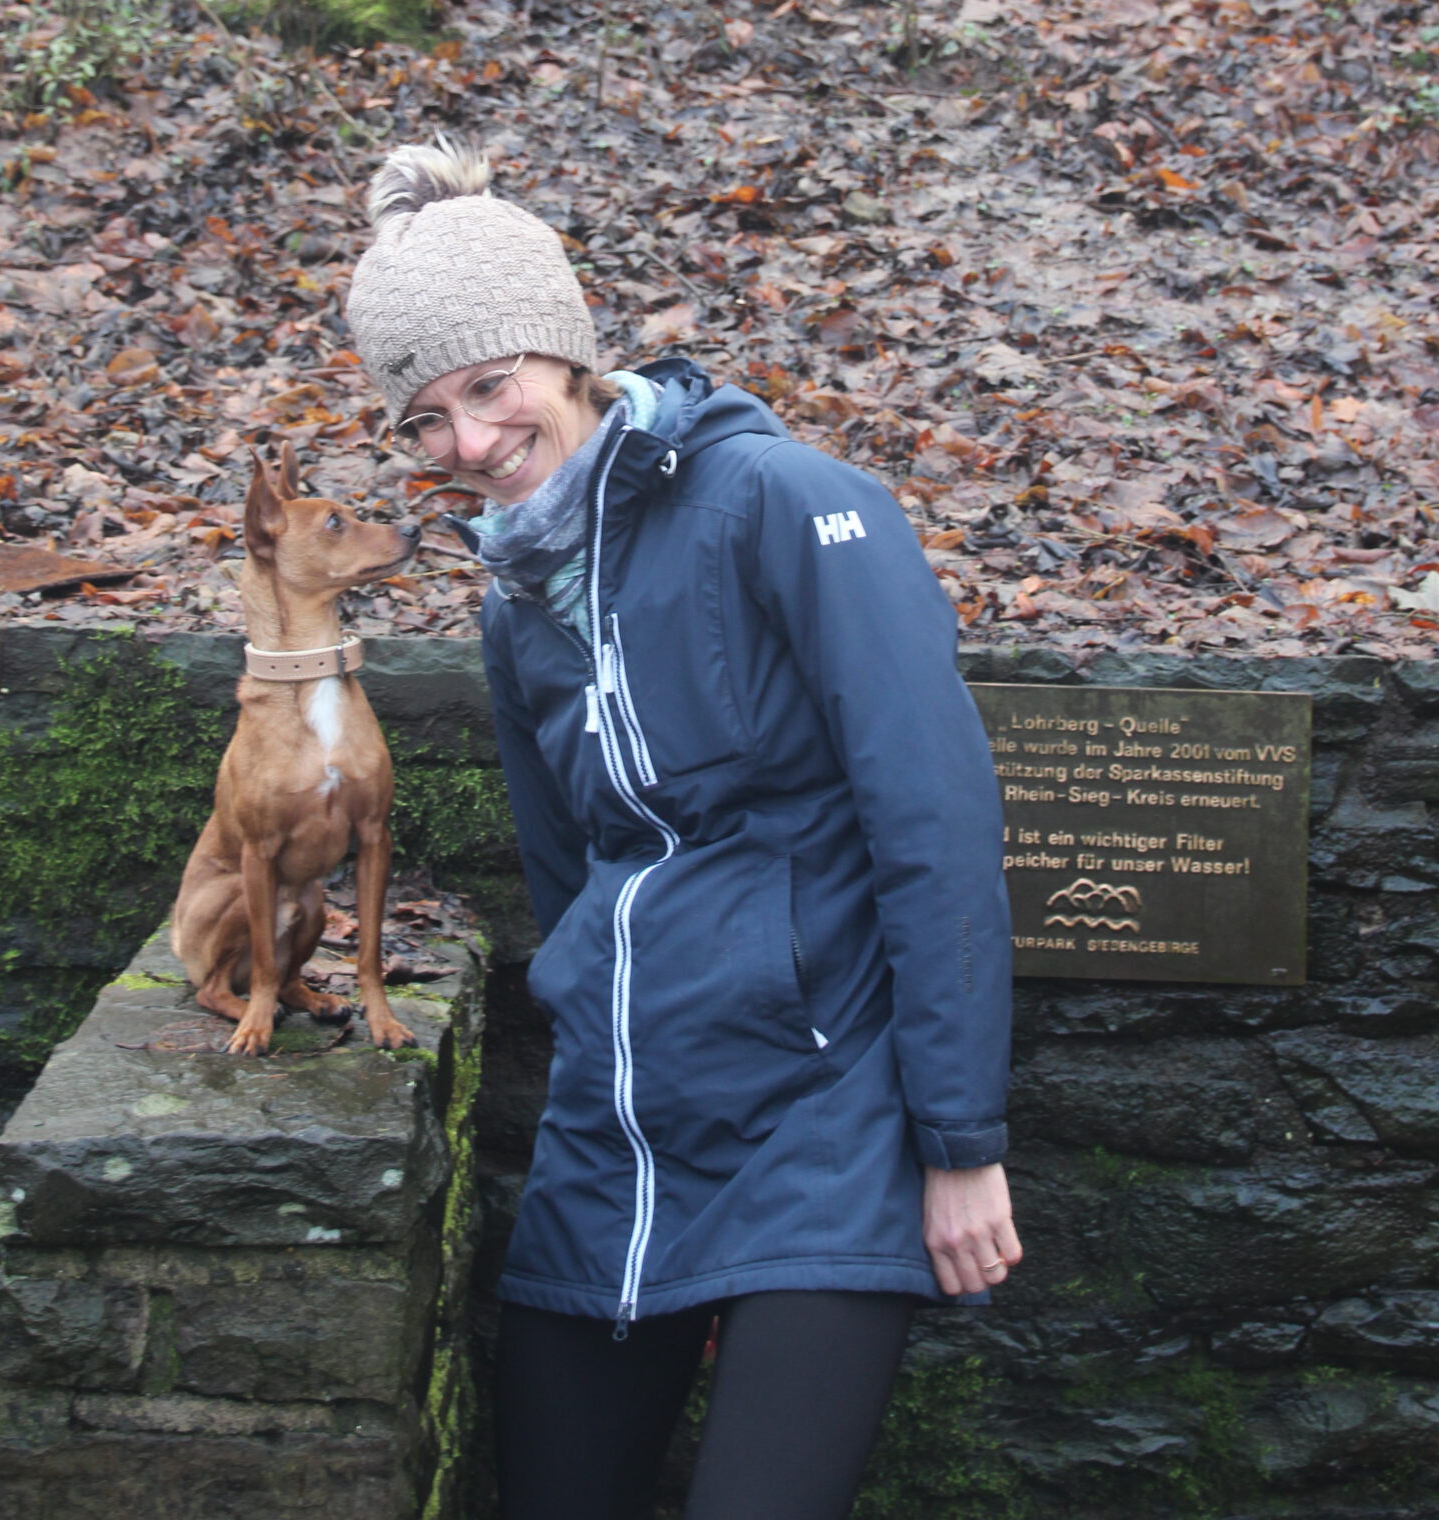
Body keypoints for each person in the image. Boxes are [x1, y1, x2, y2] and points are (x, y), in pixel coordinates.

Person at [345, 140, 1021, 1520]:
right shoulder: (515, 596)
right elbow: (569, 870)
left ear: (567, 355)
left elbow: (934, 822)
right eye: (425, 420)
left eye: (489, 386)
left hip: (828, 1127)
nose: (468, 444)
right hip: (621, 1140)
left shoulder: (787, 505)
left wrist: (957, 1142)